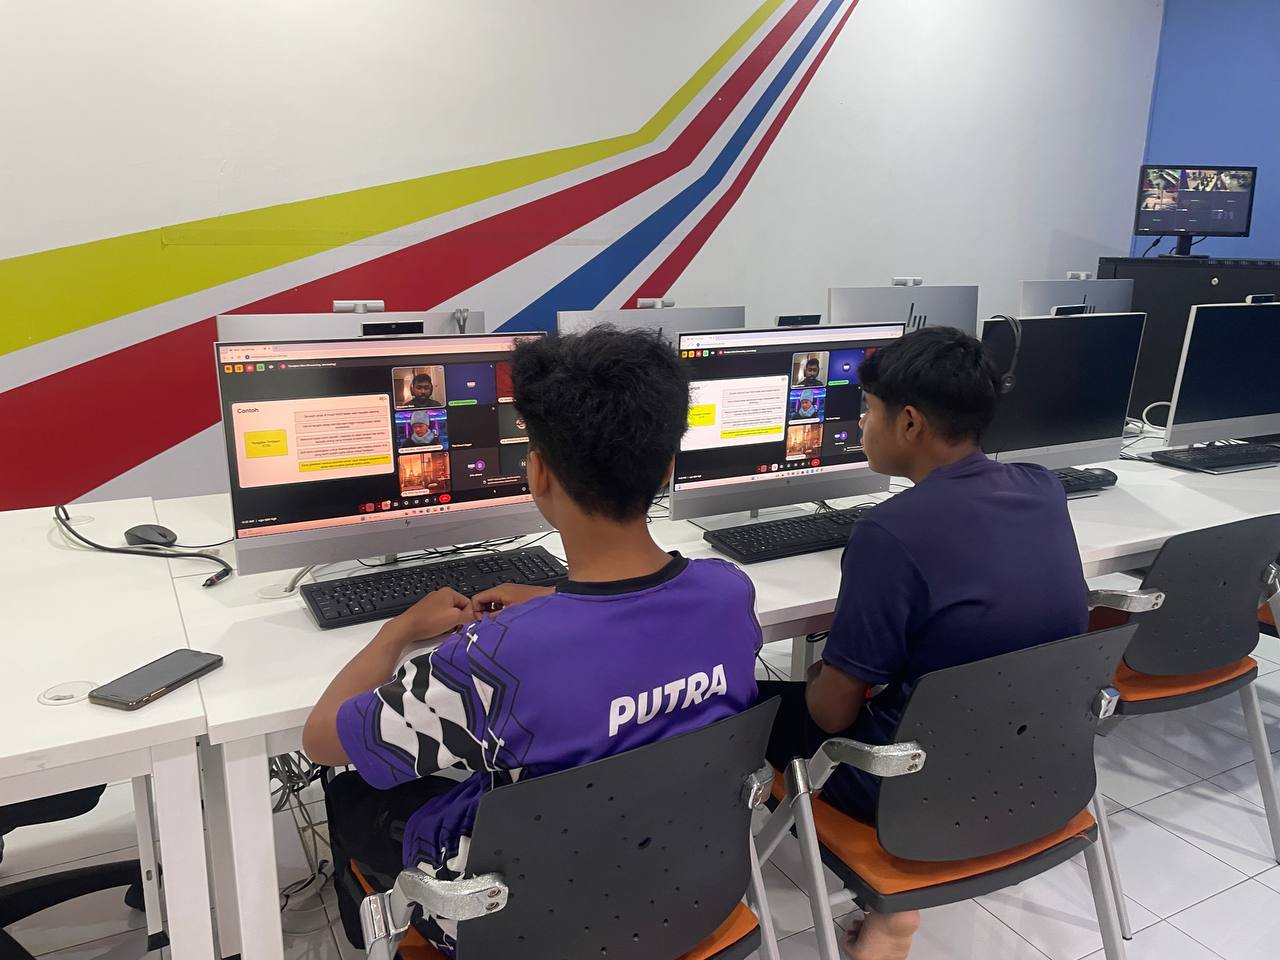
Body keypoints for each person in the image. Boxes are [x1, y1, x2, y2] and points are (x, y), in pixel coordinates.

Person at [304, 327, 763, 957]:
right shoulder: (729, 592)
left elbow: (321, 740)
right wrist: (557, 600)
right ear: (666, 468)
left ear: (538, 472)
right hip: (686, 894)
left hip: (521, 927)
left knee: (352, 791)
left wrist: (399, 629)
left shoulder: (497, 657)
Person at [760, 327, 1087, 960]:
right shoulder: (1042, 487)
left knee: (745, 706)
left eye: (867, 411)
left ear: (909, 423)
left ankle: (736, 892)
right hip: (1042, 762)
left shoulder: (890, 531)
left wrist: (829, 666)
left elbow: (833, 716)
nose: (860, 426)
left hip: (913, 787)